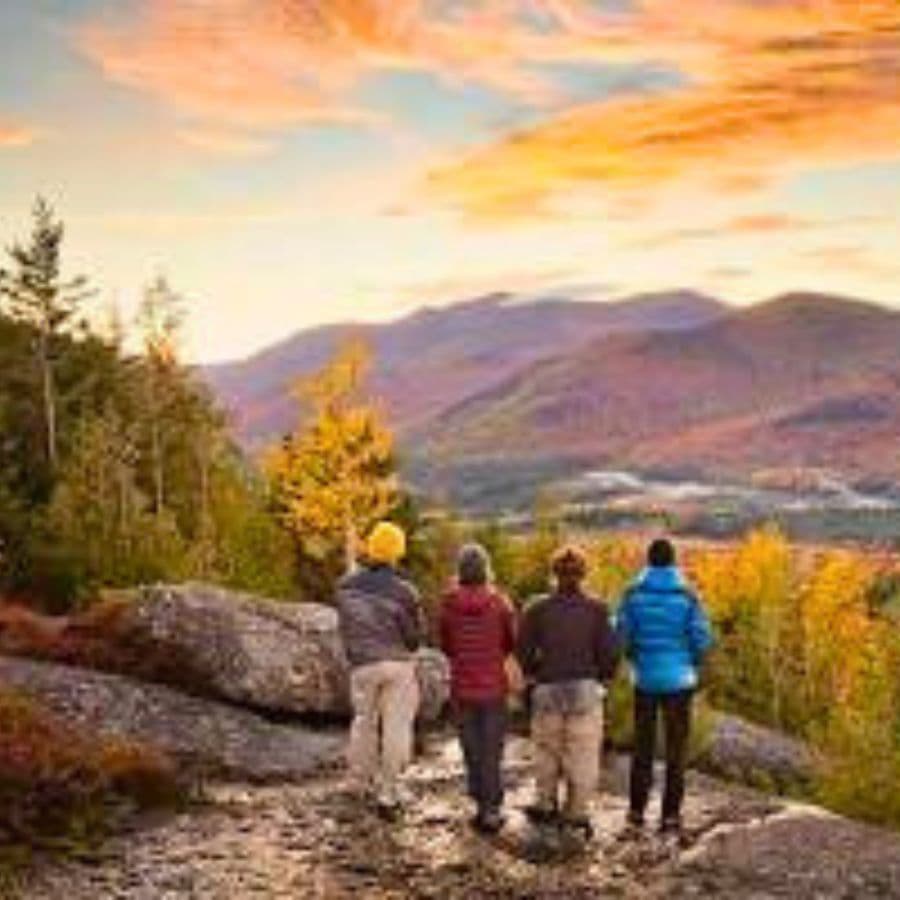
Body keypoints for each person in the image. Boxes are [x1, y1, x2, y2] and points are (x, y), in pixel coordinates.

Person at [517, 545, 619, 839]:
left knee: (547, 751)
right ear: (583, 574)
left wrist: (533, 674)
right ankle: (576, 813)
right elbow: (611, 654)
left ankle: (545, 803)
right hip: (586, 691)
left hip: (547, 688)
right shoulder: (598, 610)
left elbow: (522, 652)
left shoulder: (537, 608)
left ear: (554, 573)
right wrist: (602, 677)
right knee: (584, 755)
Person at [616, 537, 713, 838]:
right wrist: (691, 663)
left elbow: (622, 636)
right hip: (680, 681)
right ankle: (670, 816)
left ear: (649, 561)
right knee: (676, 749)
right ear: (673, 562)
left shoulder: (632, 594)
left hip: (644, 679)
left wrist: (635, 658)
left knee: (642, 748)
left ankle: (636, 812)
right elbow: (702, 639)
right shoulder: (688, 595)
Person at [336, 521, 423, 818]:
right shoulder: (405, 591)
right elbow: (413, 640)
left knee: (363, 722)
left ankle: (358, 782)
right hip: (397, 665)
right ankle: (390, 790)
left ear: (371, 548)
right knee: (396, 725)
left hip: (361, 664)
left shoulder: (345, 585)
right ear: (398, 551)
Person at [439, 543, 517, 834]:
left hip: (462, 687)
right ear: (486, 570)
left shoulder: (448, 604)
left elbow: (446, 645)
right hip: (494, 688)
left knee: (471, 748)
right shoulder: (500, 603)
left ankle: (479, 804)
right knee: (492, 750)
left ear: (460, 571)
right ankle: (491, 810)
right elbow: (511, 643)